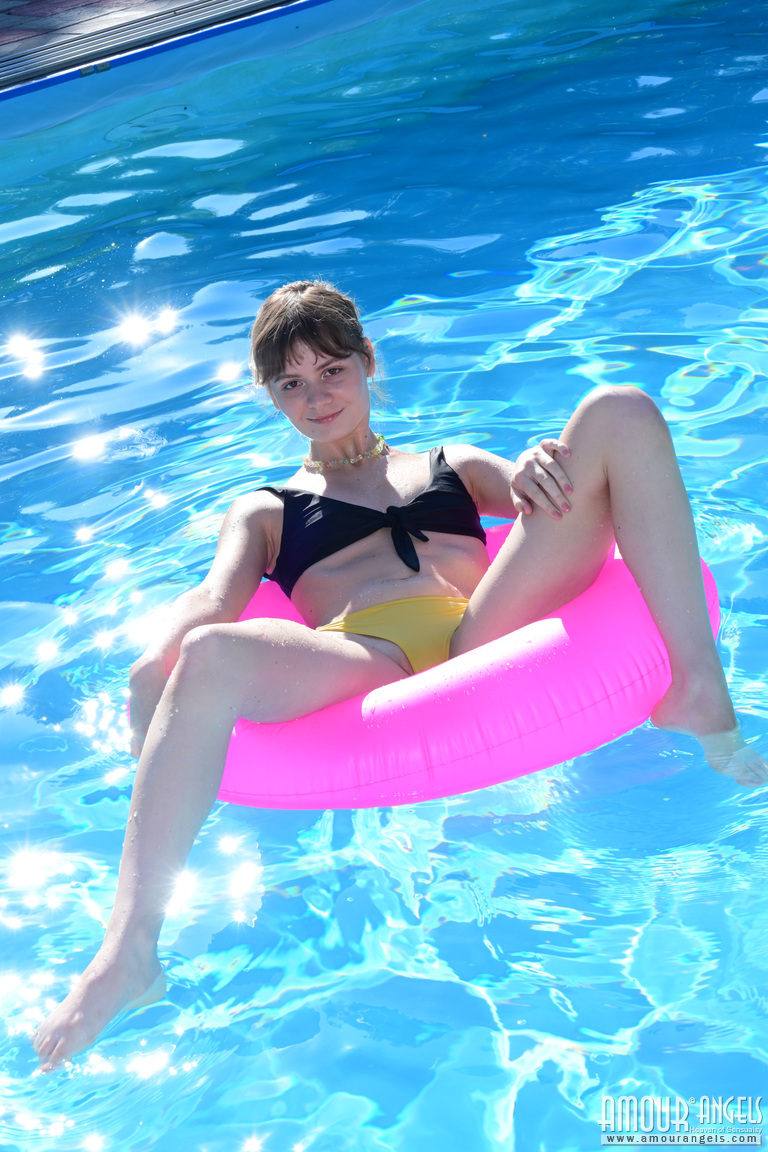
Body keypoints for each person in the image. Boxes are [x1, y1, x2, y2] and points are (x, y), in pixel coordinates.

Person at [33, 279, 767, 1071]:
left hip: (489, 625)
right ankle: (129, 951)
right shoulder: (268, 510)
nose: (317, 397)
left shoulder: (451, 463)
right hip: (369, 658)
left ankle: (701, 692)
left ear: (367, 362)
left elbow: (540, 493)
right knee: (209, 654)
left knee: (620, 409)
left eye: (332, 371)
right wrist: (153, 662)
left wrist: (535, 464)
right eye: (292, 384)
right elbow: (215, 600)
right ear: (269, 395)